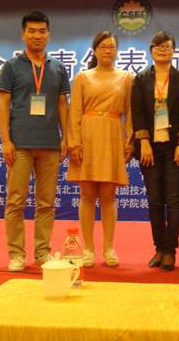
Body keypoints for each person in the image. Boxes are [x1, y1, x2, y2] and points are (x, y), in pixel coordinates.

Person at [0, 10, 70, 272]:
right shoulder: (11, 66)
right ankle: (16, 254)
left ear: (49, 35)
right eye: (32, 31)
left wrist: (66, 137)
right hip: (20, 145)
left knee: (46, 203)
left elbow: (62, 105)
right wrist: (6, 140)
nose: (37, 36)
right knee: (15, 201)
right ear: (23, 34)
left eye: (42, 31)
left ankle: (42, 252)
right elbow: (3, 105)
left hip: (50, 144)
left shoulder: (58, 67)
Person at [67, 31, 134, 268]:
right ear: (95, 50)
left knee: (108, 194)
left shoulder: (126, 77)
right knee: (87, 194)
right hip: (87, 136)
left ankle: (108, 247)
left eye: (112, 46)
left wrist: (130, 141)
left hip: (113, 135)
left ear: (117, 51)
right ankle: (88, 248)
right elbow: (74, 112)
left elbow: (131, 112)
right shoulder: (83, 77)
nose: (108, 50)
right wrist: (74, 143)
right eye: (103, 46)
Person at [131, 31, 179, 272]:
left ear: (173, 51)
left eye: (167, 46)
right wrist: (144, 142)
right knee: (155, 201)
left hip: (175, 147)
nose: (162, 50)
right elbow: (137, 113)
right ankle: (159, 247)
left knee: (174, 200)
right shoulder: (140, 79)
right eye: (158, 46)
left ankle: (170, 250)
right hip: (149, 148)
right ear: (151, 51)